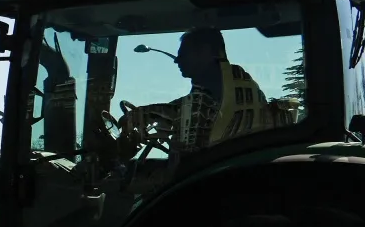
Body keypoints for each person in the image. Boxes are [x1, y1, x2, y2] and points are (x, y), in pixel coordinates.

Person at [120, 28, 296, 152]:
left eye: (183, 55)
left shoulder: (216, 83)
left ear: (204, 52)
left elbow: (188, 108)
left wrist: (141, 115)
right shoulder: (237, 80)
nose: (177, 61)